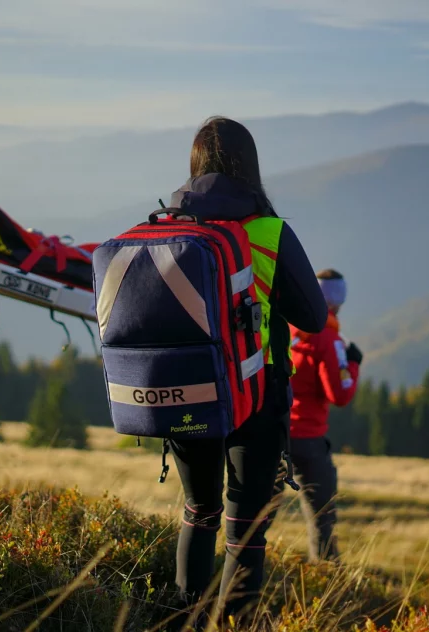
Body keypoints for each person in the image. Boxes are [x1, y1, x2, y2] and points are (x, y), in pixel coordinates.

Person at [165, 117, 328, 625]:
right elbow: (314, 317)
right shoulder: (269, 232)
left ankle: (184, 619)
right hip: (255, 396)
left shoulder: (169, 226)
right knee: (244, 526)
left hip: (188, 392)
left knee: (199, 512)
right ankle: (235, 623)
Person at [270, 269, 363, 562]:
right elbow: (340, 395)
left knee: (256, 517)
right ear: (336, 301)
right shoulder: (330, 340)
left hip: (275, 435)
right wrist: (353, 364)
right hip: (310, 441)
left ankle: (243, 573)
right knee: (322, 519)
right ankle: (324, 580)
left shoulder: (285, 329)